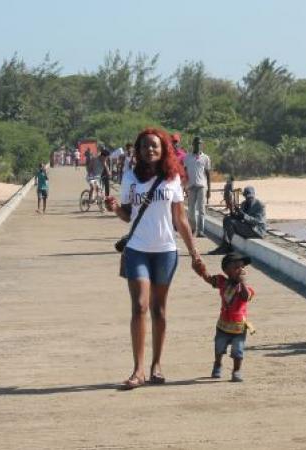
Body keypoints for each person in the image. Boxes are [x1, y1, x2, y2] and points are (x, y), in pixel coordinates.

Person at [108, 128, 204, 390]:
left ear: (164, 150)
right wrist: (116, 208)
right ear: (138, 151)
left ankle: (156, 365)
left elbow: (180, 220)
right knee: (139, 306)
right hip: (137, 249)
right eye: (145, 146)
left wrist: (194, 252)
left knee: (159, 310)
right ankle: (138, 370)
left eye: (155, 146)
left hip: (165, 251)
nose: (150, 150)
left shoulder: (172, 179)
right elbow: (129, 215)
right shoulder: (130, 178)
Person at [197, 252, 255, 382]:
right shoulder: (222, 282)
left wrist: (243, 282)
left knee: (238, 351)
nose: (240, 270)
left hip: (239, 327)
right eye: (236, 267)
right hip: (223, 325)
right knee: (219, 347)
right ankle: (218, 364)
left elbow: (246, 297)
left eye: (242, 267)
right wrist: (201, 270)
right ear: (226, 270)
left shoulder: (245, 288)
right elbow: (209, 279)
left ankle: (236, 370)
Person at [210, 186, 266, 255]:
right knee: (227, 219)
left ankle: (227, 246)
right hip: (248, 227)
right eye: (247, 197)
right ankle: (225, 244)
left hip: (256, 230)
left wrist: (243, 215)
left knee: (231, 222)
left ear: (254, 195)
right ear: (244, 196)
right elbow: (240, 218)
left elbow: (257, 221)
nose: (249, 199)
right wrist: (234, 214)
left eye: (250, 197)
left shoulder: (260, 205)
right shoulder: (244, 204)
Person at [183, 136, 211, 237]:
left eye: (200, 144)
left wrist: (209, 189)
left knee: (201, 209)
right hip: (191, 186)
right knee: (191, 210)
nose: (198, 145)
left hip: (201, 186)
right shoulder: (187, 157)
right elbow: (184, 173)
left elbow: (208, 174)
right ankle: (193, 228)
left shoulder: (206, 158)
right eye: (196, 144)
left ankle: (201, 231)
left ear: (202, 145)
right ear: (193, 145)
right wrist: (184, 186)